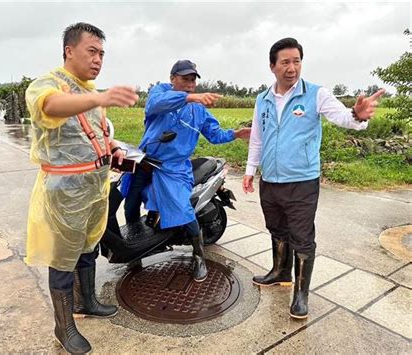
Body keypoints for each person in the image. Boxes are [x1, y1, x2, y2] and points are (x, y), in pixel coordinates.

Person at [242, 37, 385, 319]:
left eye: (296, 61)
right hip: (269, 180)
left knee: (302, 238)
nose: (292, 67)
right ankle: (280, 272)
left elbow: (344, 117)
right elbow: (257, 138)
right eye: (285, 62)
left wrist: (357, 114)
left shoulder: (316, 94)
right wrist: (249, 171)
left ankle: (301, 294)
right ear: (272, 66)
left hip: (302, 183)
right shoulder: (263, 100)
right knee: (276, 229)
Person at [25, 22, 138, 354]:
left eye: (102, 53)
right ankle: (64, 327)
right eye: (92, 51)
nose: (98, 59)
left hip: (94, 187)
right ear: (69, 50)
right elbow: (50, 107)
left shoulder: (89, 91)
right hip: (64, 194)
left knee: (88, 248)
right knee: (62, 259)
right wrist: (99, 97)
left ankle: (87, 301)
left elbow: (96, 132)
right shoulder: (46, 85)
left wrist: (114, 148)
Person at [123, 59, 251, 282]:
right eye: (185, 79)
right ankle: (134, 252)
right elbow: (156, 104)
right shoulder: (159, 92)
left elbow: (214, 135)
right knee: (130, 202)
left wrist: (236, 133)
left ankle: (199, 254)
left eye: (193, 80)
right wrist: (190, 97)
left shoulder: (198, 110)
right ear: (172, 78)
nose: (190, 83)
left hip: (175, 168)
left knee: (183, 210)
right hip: (145, 161)